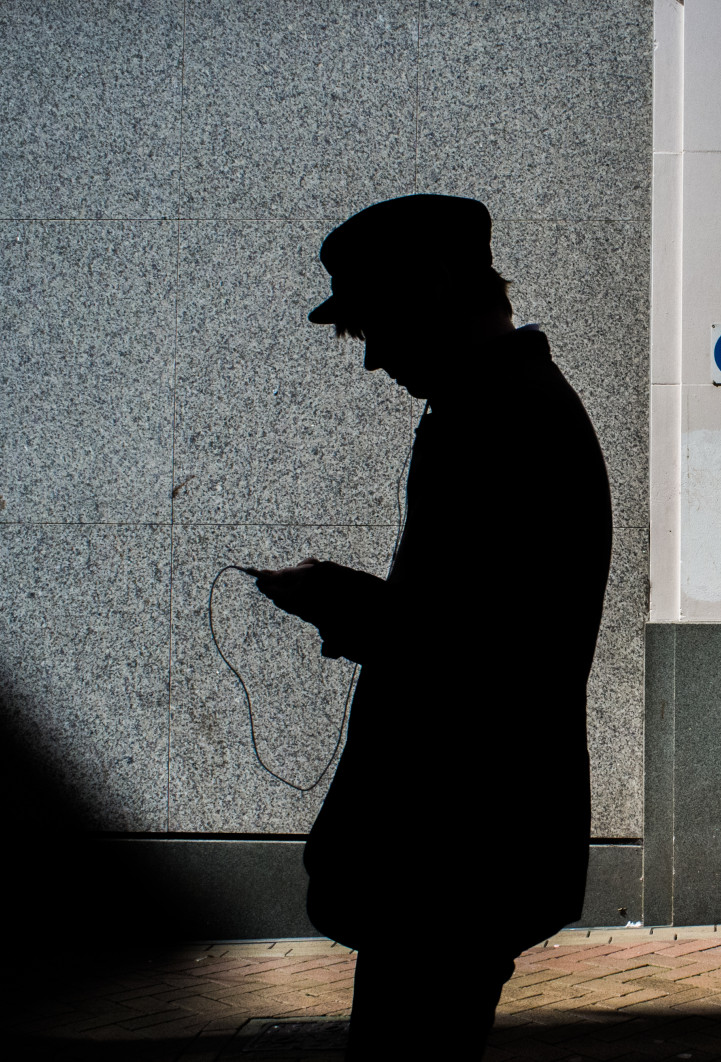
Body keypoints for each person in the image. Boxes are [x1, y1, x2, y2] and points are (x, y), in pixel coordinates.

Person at [252, 194, 613, 1058]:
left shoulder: (502, 420)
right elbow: (475, 622)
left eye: (375, 323)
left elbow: (483, 656)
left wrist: (346, 604)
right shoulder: (498, 407)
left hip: (452, 851)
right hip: (460, 850)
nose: (373, 357)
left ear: (435, 287)